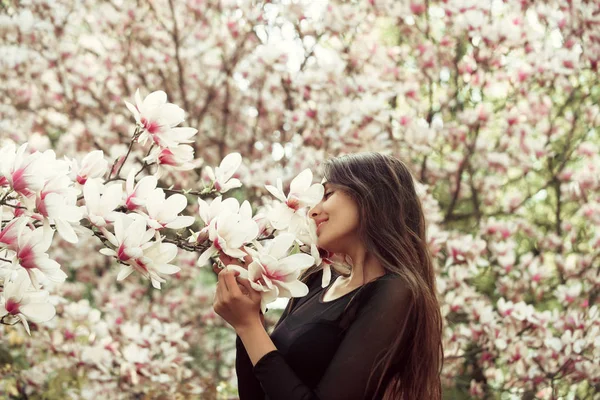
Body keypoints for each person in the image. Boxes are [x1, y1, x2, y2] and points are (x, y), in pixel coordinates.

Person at [213, 152, 444, 399]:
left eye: (328, 194)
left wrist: (249, 326)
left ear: (371, 196)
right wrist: (249, 317)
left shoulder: (395, 291)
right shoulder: (315, 282)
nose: (313, 211)